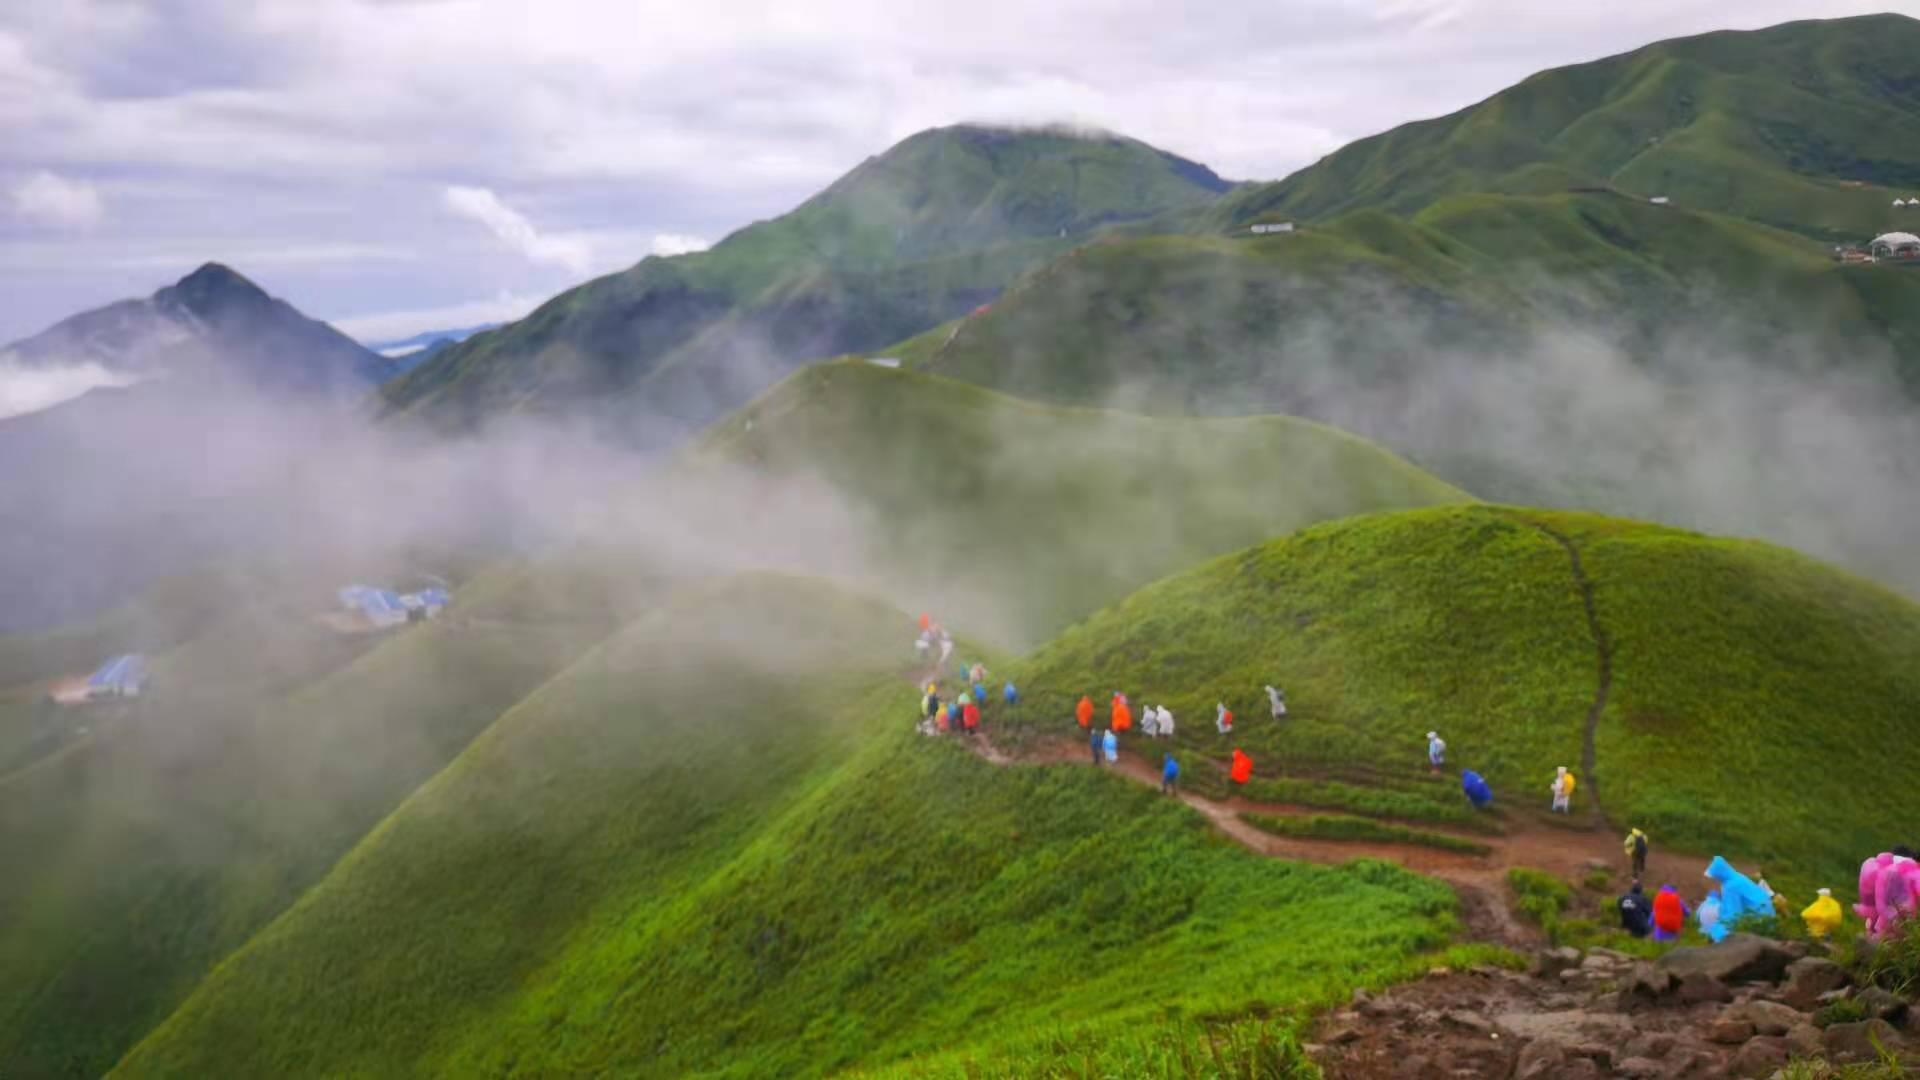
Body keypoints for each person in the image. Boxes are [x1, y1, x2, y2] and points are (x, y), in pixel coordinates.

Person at [1703, 855, 1773, 942]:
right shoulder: (1737, 877)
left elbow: (1732, 913)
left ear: (1719, 874)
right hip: (1768, 917)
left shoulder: (1730, 886)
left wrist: (1717, 935)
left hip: (1757, 920)